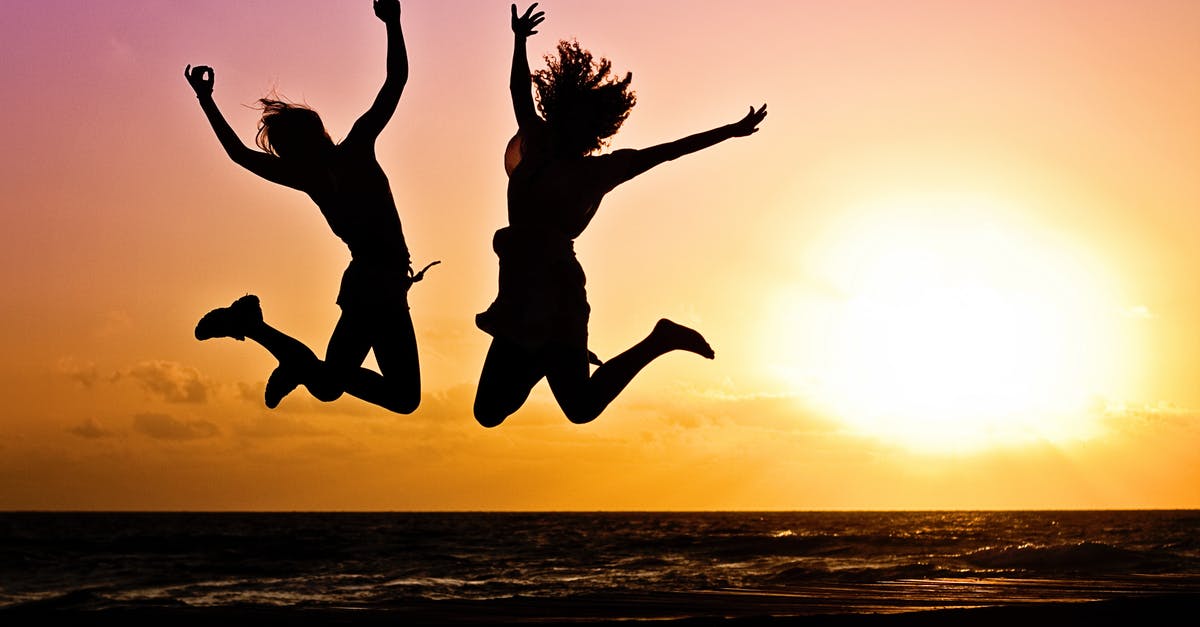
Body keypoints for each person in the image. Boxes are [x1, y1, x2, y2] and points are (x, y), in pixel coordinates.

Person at [473, 3, 767, 427]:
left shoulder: (598, 170)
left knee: (580, 407)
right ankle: (548, 355)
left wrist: (730, 131)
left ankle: (658, 339)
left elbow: (669, 152)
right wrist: (518, 41)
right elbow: (519, 92)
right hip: (521, 292)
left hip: (555, 294)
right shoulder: (538, 143)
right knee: (488, 411)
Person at [184, 0, 433, 413]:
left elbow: (238, 155)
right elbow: (396, 81)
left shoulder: (317, 173)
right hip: (377, 284)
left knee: (338, 385)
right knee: (373, 391)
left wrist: (206, 100)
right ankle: (264, 335)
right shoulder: (348, 154)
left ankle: (262, 334)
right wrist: (393, 22)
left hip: (378, 283)